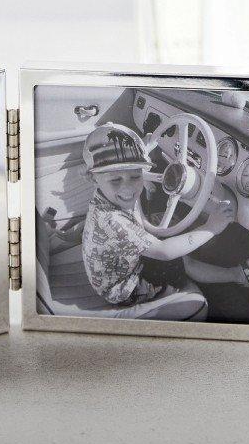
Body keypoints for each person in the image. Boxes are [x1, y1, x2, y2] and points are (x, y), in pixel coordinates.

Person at [81, 123, 233, 310]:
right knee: (185, 263)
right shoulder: (113, 222)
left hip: (119, 262)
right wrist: (211, 227)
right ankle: (238, 276)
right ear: (92, 178)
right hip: (124, 287)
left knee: (168, 222)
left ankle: (199, 247)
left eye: (136, 177)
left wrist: (142, 155)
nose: (128, 188)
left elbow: (126, 173)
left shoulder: (103, 196)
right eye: (116, 180)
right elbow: (164, 251)